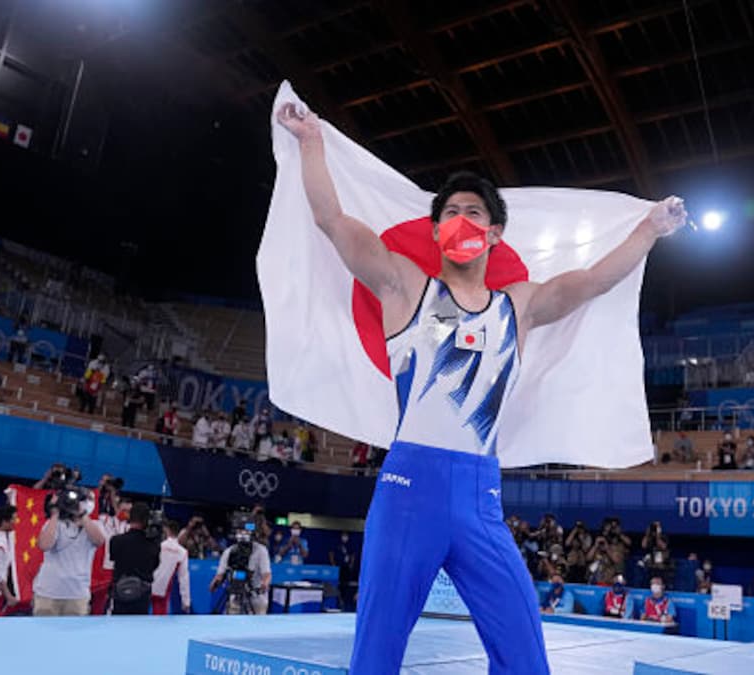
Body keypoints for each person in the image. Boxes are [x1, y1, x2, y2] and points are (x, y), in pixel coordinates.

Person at [277, 102, 688, 673]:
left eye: (474, 212)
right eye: (450, 212)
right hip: (407, 492)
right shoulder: (404, 287)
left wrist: (650, 229)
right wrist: (312, 141)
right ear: (437, 231)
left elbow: (594, 280)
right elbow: (333, 222)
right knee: (375, 655)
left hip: (480, 501)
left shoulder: (517, 307)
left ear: (495, 232)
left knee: (524, 656)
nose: (461, 220)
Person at [32, 489, 107, 616]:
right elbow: (44, 545)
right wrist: (55, 514)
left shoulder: (95, 525)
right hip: (48, 593)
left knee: (74, 635)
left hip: (77, 594)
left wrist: (81, 514)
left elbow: (99, 541)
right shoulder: (54, 524)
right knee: (44, 634)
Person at [108, 502, 160, 615]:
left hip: (120, 593)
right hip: (142, 595)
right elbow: (155, 565)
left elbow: (112, 558)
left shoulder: (116, 540)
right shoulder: (152, 544)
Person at [209, 524, 272, 615]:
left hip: (256, 594)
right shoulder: (229, 551)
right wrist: (215, 583)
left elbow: (267, 574)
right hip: (235, 593)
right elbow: (220, 575)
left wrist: (265, 583)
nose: (243, 534)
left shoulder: (261, 550)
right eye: (240, 531)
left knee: (258, 623)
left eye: (246, 531)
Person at [152, 519, 192, 615]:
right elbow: (183, 578)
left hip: (149, 583)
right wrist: (186, 601)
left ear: (167, 530)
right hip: (163, 587)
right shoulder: (182, 552)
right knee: (160, 618)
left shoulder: (158, 546)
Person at [329, 531, 360, 610]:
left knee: (345, 584)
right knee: (337, 584)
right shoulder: (337, 544)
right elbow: (331, 553)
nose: (345, 537)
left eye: (346, 536)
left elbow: (352, 555)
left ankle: (344, 600)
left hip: (346, 567)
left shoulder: (350, 545)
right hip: (338, 567)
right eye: (343, 535)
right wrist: (333, 565)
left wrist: (351, 564)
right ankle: (338, 600)